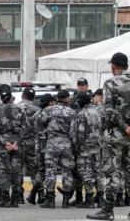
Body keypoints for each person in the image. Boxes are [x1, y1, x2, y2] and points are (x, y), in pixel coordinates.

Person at [87, 53, 130, 220]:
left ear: (113, 67)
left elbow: (109, 111)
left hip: (114, 136)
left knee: (111, 172)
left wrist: (125, 127)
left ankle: (107, 210)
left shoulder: (110, 83)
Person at [0, 85, 28, 208]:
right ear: (11, 97)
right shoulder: (20, 109)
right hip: (17, 145)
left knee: (5, 171)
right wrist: (17, 143)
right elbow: (25, 128)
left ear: (1, 97)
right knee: (17, 172)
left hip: (3, 145)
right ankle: (15, 199)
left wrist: (5, 143)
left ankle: (5, 199)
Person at [39, 90, 76, 209]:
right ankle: (65, 201)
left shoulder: (49, 110)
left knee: (50, 171)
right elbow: (74, 130)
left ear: (57, 98)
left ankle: (50, 199)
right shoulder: (72, 112)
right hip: (66, 144)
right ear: (67, 98)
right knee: (67, 172)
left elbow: (39, 121)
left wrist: (46, 133)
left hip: (52, 143)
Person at [72, 91, 104, 209]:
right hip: (97, 147)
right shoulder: (98, 112)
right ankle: (101, 199)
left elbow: (79, 133)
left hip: (84, 148)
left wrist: (76, 146)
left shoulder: (82, 114)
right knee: (98, 173)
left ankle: (89, 200)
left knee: (86, 173)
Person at [18, 87, 42, 205]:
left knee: (18, 170)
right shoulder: (37, 110)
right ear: (33, 98)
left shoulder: (15, 108)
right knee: (35, 170)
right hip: (32, 142)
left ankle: (19, 196)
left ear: (23, 96)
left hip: (18, 143)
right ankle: (41, 194)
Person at [69, 77, 90, 207]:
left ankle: (91, 197)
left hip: (87, 141)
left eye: (83, 85)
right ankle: (78, 197)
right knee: (76, 171)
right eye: (79, 85)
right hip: (75, 140)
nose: (81, 87)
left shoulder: (89, 99)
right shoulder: (73, 101)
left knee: (87, 171)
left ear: (87, 86)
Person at [35, 93, 56, 205]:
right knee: (48, 171)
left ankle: (36, 193)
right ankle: (46, 195)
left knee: (41, 170)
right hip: (47, 145)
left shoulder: (37, 114)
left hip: (39, 145)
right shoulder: (49, 112)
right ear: (50, 103)